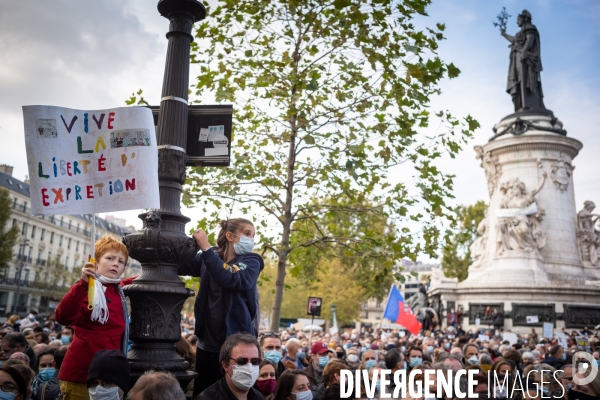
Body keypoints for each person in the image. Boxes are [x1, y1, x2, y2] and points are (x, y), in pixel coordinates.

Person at [179, 218, 264, 397]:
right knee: (203, 392)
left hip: (236, 346)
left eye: (253, 235)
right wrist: (186, 243)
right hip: (207, 345)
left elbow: (231, 277)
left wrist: (206, 249)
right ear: (230, 236)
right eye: (247, 233)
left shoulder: (252, 261)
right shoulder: (209, 258)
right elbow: (181, 264)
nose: (252, 239)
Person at [55, 236, 134, 399]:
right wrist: (83, 283)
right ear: (95, 263)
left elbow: (140, 279)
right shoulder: (86, 289)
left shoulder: (119, 289)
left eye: (121, 261)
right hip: (81, 377)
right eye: (110, 258)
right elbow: (63, 317)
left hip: (109, 378)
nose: (115, 264)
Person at [500, 9, 546, 112]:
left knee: (525, 80)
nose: (517, 22)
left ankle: (528, 104)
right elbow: (514, 40)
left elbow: (530, 39)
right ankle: (521, 105)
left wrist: (524, 51)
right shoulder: (521, 32)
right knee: (519, 81)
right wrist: (504, 34)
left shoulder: (530, 27)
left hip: (525, 59)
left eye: (518, 19)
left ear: (524, 19)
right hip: (518, 58)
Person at [196, 333, 263, 400]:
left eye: (255, 361)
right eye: (241, 361)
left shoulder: (258, 397)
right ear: (225, 365)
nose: (249, 367)